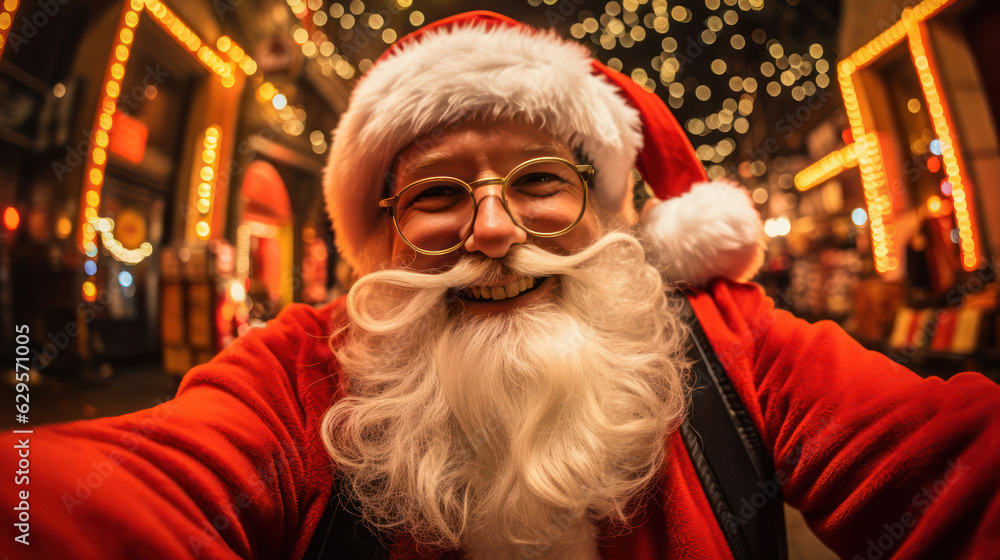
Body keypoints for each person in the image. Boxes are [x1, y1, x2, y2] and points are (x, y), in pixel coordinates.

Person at [4, 11, 999, 560]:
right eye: (440, 192)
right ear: (383, 229)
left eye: (537, 180)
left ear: (606, 209)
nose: (492, 228)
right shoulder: (300, 372)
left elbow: (956, 470)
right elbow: (92, 500)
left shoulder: (731, 342)